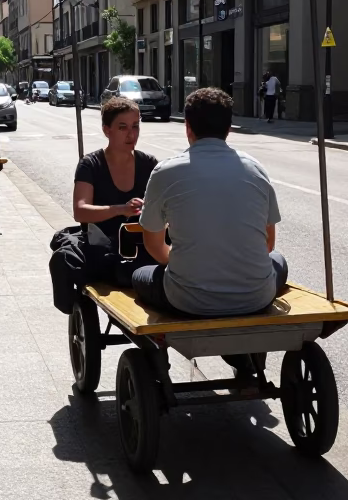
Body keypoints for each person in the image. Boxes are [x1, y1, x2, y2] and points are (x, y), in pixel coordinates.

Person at [133, 86, 288, 332]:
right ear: (228, 128)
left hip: (188, 301)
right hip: (256, 297)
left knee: (140, 274)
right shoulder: (256, 169)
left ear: (187, 127)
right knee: (278, 260)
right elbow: (268, 245)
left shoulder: (165, 172)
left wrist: (180, 261)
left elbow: (153, 244)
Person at [49, 97, 158, 315]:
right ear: (106, 130)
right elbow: (80, 210)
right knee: (65, 260)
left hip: (141, 247)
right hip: (102, 249)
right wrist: (121, 209)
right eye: (123, 127)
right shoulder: (91, 164)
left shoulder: (149, 164)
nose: (131, 134)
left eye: (135, 126)